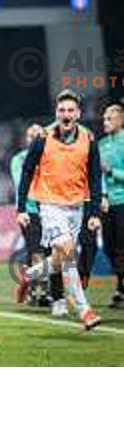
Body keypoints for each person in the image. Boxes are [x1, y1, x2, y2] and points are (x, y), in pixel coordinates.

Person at [17, 90, 102, 330]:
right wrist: (21, 207)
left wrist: (94, 212)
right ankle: (84, 310)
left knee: (57, 261)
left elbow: (94, 177)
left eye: (70, 110)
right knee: (68, 253)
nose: (66, 114)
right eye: (62, 110)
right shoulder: (43, 137)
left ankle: (29, 276)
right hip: (50, 205)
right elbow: (26, 170)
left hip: (75, 207)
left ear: (78, 114)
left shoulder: (89, 138)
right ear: (56, 112)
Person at [10, 123, 54, 308]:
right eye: (30, 135)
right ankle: (41, 291)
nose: (34, 138)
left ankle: (29, 284)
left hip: (49, 209)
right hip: (29, 211)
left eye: (37, 134)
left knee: (51, 252)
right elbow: (22, 182)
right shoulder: (19, 159)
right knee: (37, 251)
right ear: (26, 140)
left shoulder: (50, 158)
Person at [98, 101, 124, 308]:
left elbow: (107, 172)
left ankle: (120, 290)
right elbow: (98, 176)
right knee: (109, 247)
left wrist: (111, 172)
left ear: (121, 120)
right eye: (104, 118)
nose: (105, 122)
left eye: (110, 118)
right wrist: (103, 195)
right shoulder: (102, 144)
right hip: (108, 204)